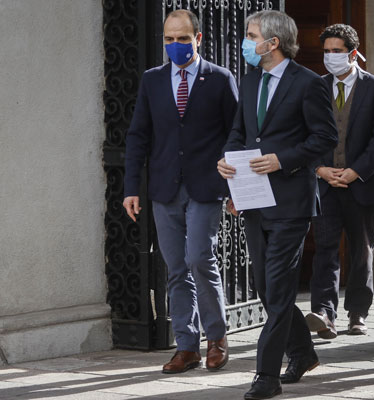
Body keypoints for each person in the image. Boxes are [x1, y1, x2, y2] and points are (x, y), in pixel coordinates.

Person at [217, 10, 338, 400]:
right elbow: (239, 133)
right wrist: (228, 165)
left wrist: (282, 159)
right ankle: (302, 353)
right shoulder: (251, 80)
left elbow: (325, 138)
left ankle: (265, 376)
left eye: (251, 36)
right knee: (265, 288)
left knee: (280, 286)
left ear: (273, 43)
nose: (246, 42)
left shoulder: (309, 84)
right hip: (253, 200)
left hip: (291, 202)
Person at [123, 10, 238, 374]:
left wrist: (238, 189)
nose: (175, 45)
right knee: (175, 268)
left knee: (199, 259)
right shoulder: (152, 80)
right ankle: (186, 347)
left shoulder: (220, 79)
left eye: (183, 38)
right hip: (164, 188)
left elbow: (237, 135)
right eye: (169, 39)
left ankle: (216, 338)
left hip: (206, 187)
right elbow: (139, 135)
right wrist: (131, 189)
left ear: (198, 38)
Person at [305, 24, 374, 339]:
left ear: (352, 53)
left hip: (363, 182)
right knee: (325, 249)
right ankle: (325, 315)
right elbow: (304, 134)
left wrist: (356, 171)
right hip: (326, 183)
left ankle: (357, 313)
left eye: (337, 51)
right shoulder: (315, 87)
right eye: (326, 52)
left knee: (361, 250)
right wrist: (319, 169)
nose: (331, 57)